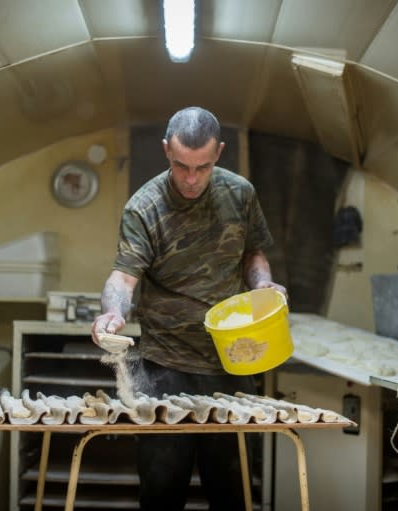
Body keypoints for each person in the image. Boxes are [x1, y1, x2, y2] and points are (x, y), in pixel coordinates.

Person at [91, 106, 287, 510]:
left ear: (219, 152)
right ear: (166, 151)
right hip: (164, 367)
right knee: (162, 490)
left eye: (203, 166)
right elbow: (123, 278)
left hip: (233, 362)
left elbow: (253, 255)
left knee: (231, 490)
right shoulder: (143, 207)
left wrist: (263, 284)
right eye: (182, 166)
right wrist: (114, 313)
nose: (192, 179)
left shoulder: (240, 193)